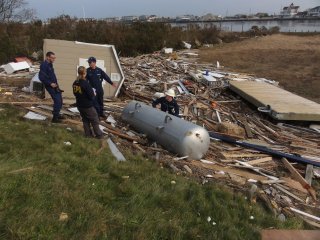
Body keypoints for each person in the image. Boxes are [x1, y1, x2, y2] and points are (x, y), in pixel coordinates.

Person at [72, 66, 104, 139]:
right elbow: (91, 96)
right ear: (84, 73)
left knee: (85, 120)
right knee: (94, 119)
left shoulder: (75, 82)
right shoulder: (85, 83)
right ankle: (99, 135)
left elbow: (75, 93)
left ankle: (88, 135)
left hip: (79, 105)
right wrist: (94, 93)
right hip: (87, 106)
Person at [39, 51, 64, 123]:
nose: (54, 59)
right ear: (47, 57)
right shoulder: (44, 65)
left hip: (55, 85)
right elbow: (41, 77)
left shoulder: (50, 65)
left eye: (54, 58)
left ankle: (57, 114)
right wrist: (50, 83)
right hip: (50, 86)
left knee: (60, 100)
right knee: (57, 101)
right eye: (52, 58)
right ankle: (55, 119)